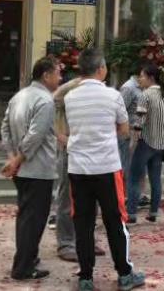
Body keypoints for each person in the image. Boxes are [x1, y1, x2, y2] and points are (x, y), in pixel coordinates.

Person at [64, 48, 146, 291]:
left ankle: (86, 278)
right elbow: (124, 130)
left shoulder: (70, 97)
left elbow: (71, 127)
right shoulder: (113, 96)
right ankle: (125, 274)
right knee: (115, 221)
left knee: (83, 224)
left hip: (78, 169)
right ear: (101, 69)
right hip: (107, 168)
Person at [0, 55, 62, 281]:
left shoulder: (19, 96)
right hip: (37, 170)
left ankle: (29, 258)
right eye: (58, 73)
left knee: (27, 217)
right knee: (33, 220)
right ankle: (23, 267)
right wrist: (16, 160)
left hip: (23, 170)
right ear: (46, 75)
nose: (60, 78)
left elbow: (5, 128)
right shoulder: (45, 101)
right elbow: (35, 136)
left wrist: (12, 157)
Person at [52, 76, 105, 262]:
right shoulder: (65, 99)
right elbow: (53, 100)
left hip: (91, 152)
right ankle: (66, 243)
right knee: (67, 199)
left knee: (91, 200)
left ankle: (85, 239)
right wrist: (61, 136)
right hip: (70, 151)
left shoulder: (95, 99)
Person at [127, 64, 164, 224]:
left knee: (134, 178)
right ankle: (153, 213)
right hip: (160, 143)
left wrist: (132, 137)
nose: (140, 79)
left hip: (145, 142)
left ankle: (131, 214)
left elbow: (139, 122)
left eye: (142, 76)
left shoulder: (145, 95)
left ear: (150, 78)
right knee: (156, 179)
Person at [119, 67, 149, 208]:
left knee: (139, 165)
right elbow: (120, 110)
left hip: (140, 132)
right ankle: (127, 196)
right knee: (128, 165)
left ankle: (139, 195)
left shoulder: (143, 88)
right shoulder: (128, 88)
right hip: (129, 133)